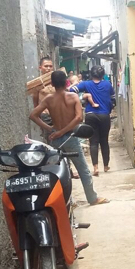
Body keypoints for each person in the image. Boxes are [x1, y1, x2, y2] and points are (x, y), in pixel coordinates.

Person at [29, 71, 109, 206]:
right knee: (83, 169)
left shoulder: (49, 99)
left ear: (52, 84)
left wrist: (50, 129)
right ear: (66, 82)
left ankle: (64, 201)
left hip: (55, 139)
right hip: (71, 137)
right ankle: (92, 198)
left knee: (57, 171)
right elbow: (79, 117)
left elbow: (33, 115)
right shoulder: (73, 97)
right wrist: (63, 131)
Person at [70, 66, 115, 176]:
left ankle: (95, 167)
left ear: (91, 73)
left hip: (90, 115)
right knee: (104, 140)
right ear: (102, 74)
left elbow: (71, 91)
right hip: (104, 115)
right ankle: (106, 165)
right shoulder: (108, 85)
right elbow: (113, 99)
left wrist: (83, 97)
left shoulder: (86, 84)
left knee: (93, 141)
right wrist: (109, 108)